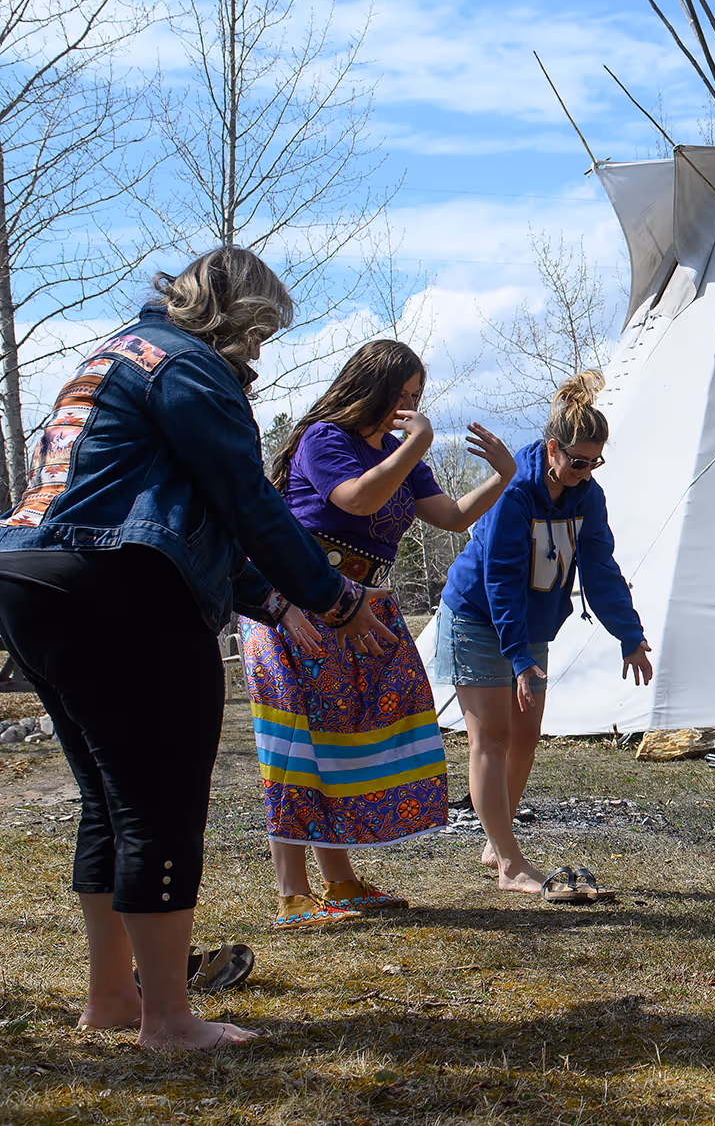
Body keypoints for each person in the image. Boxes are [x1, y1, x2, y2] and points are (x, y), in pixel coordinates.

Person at [0, 248, 398, 1049]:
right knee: (160, 801)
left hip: (28, 573)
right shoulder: (190, 367)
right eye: (259, 334)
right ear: (238, 317)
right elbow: (244, 499)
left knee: (110, 797)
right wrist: (335, 595)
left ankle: (112, 996)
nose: (257, 352)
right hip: (117, 586)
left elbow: (168, 512)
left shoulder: (111, 355)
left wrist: (274, 599)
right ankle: (170, 1020)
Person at [245, 341, 520, 930]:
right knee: (295, 743)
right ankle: (292, 893)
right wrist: (417, 444)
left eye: (416, 399)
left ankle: (339, 879)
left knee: (342, 737)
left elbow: (448, 516)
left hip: (360, 603)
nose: (409, 408)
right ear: (369, 388)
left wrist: (504, 477)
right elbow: (358, 498)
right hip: (297, 602)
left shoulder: (398, 452)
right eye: (402, 396)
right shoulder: (324, 438)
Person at [434, 371, 653, 896]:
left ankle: (496, 841)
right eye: (578, 461)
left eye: (595, 462)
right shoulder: (516, 493)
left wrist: (629, 633)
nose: (586, 472)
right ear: (552, 449)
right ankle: (509, 862)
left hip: (528, 627)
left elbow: (600, 567)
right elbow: (501, 577)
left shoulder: (586, 497)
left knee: (526, 736)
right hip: (478, 618)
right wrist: (516, 656)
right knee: (493, 736)